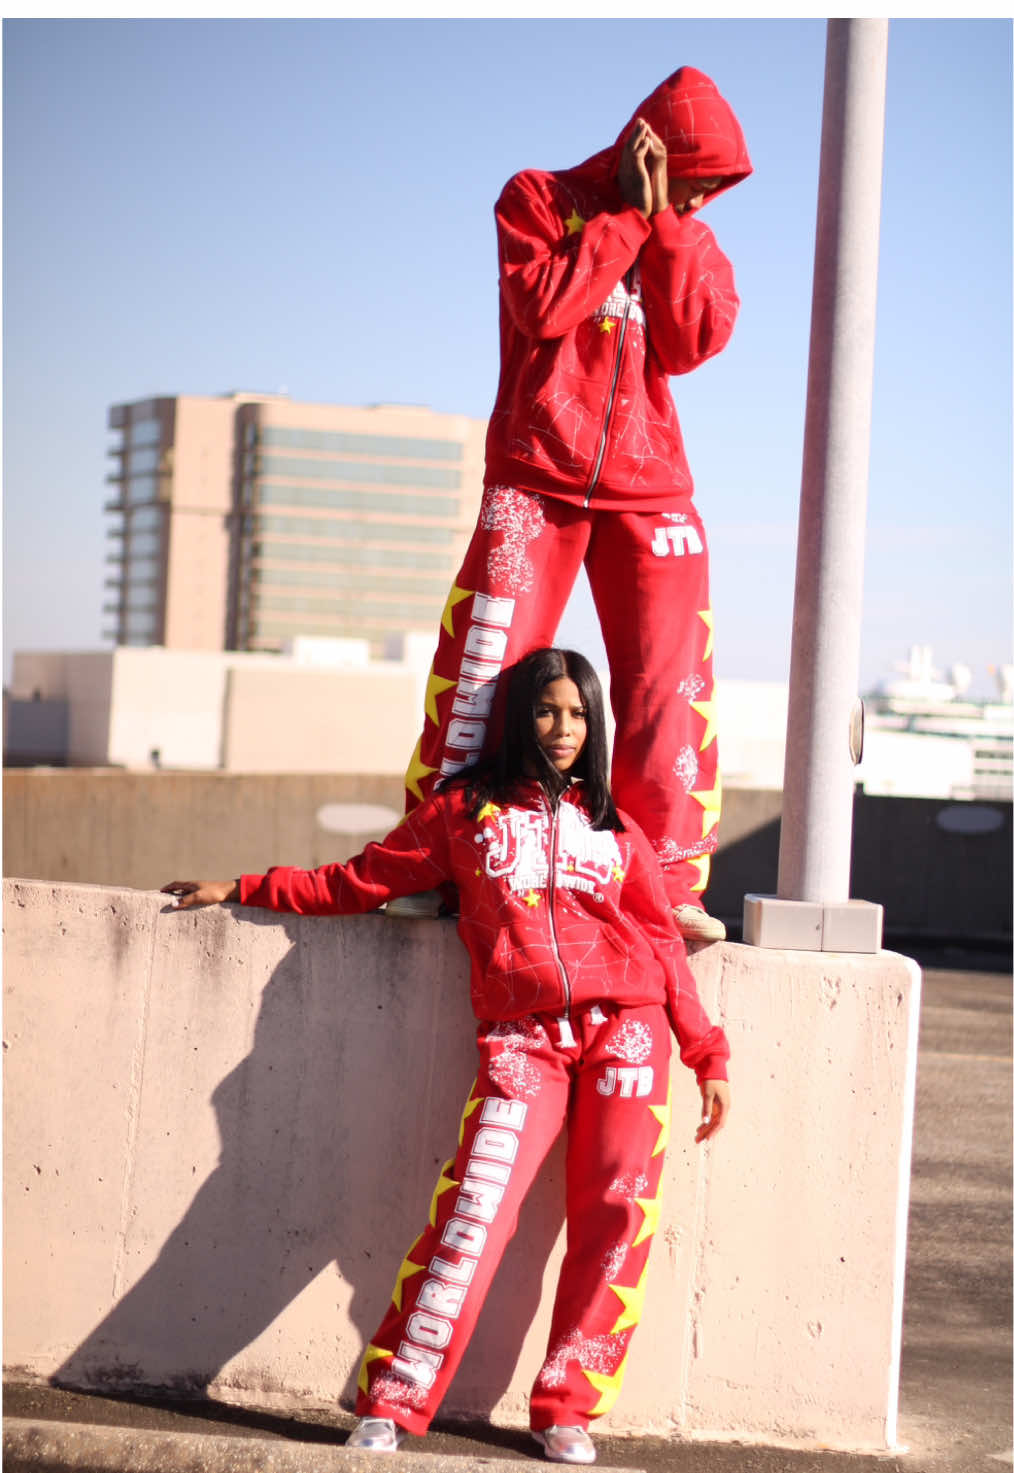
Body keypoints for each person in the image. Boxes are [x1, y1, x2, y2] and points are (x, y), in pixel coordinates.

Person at [163, 647, 730, 1465]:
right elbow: (358, 880)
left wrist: (706, 1051)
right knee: (473, 1217)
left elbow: (657, 939)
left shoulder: (613, 824)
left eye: (577, 713)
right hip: (523, 1041)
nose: (562, 728)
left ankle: (566, 1406)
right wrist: (245, 886)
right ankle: (394, 1400)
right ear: (517, 717)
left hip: (628, 1034)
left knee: (617, 1220)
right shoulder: (463, 812)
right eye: (546, 710)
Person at [394, 66, 752, 944]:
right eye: (697, 176)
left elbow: (696, 339)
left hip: (654, 489)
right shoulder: (537, 199)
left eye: (712, 187)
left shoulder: (693, 240)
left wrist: (664, 227)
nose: (705, 196)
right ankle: (435, 858)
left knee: (670, 682)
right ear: (653, 152)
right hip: (533, 475)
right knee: (486, 670)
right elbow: (541, 304)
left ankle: (667, 882)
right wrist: (627, 216)